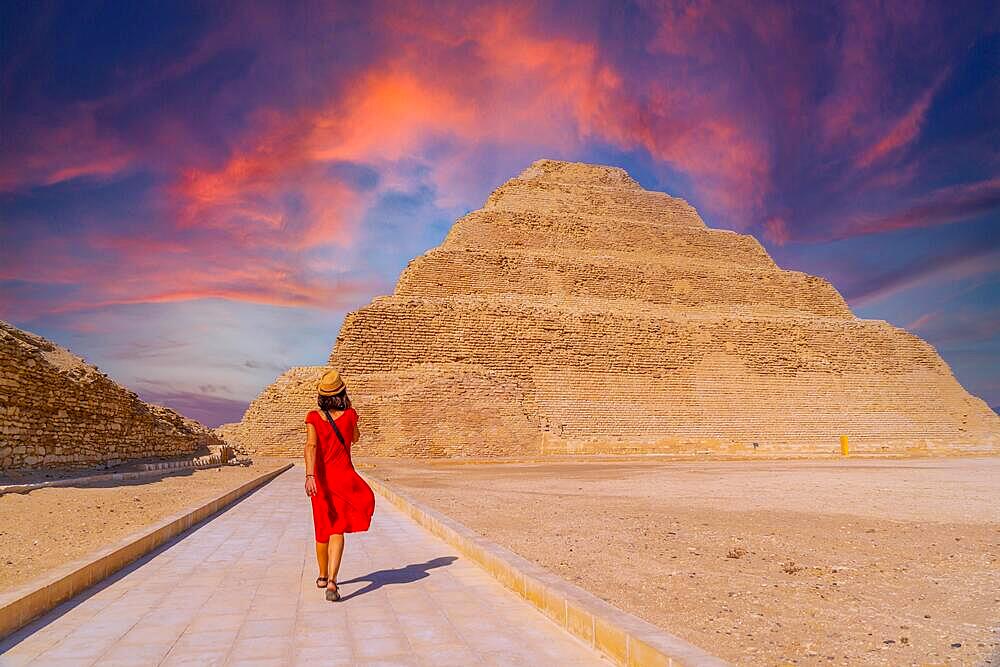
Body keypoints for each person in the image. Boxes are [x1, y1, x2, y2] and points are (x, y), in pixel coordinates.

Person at [303, 370, 375, 601]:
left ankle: (323, 576)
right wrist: (349, 409)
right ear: (342, 392)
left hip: (321, 480)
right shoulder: (351, 414)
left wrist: (310, 475)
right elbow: (355, 438)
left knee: (322, 527)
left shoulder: (313, 417)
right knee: (338, 528)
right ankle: (333, 581)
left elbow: (311, 447)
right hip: (343, 477)